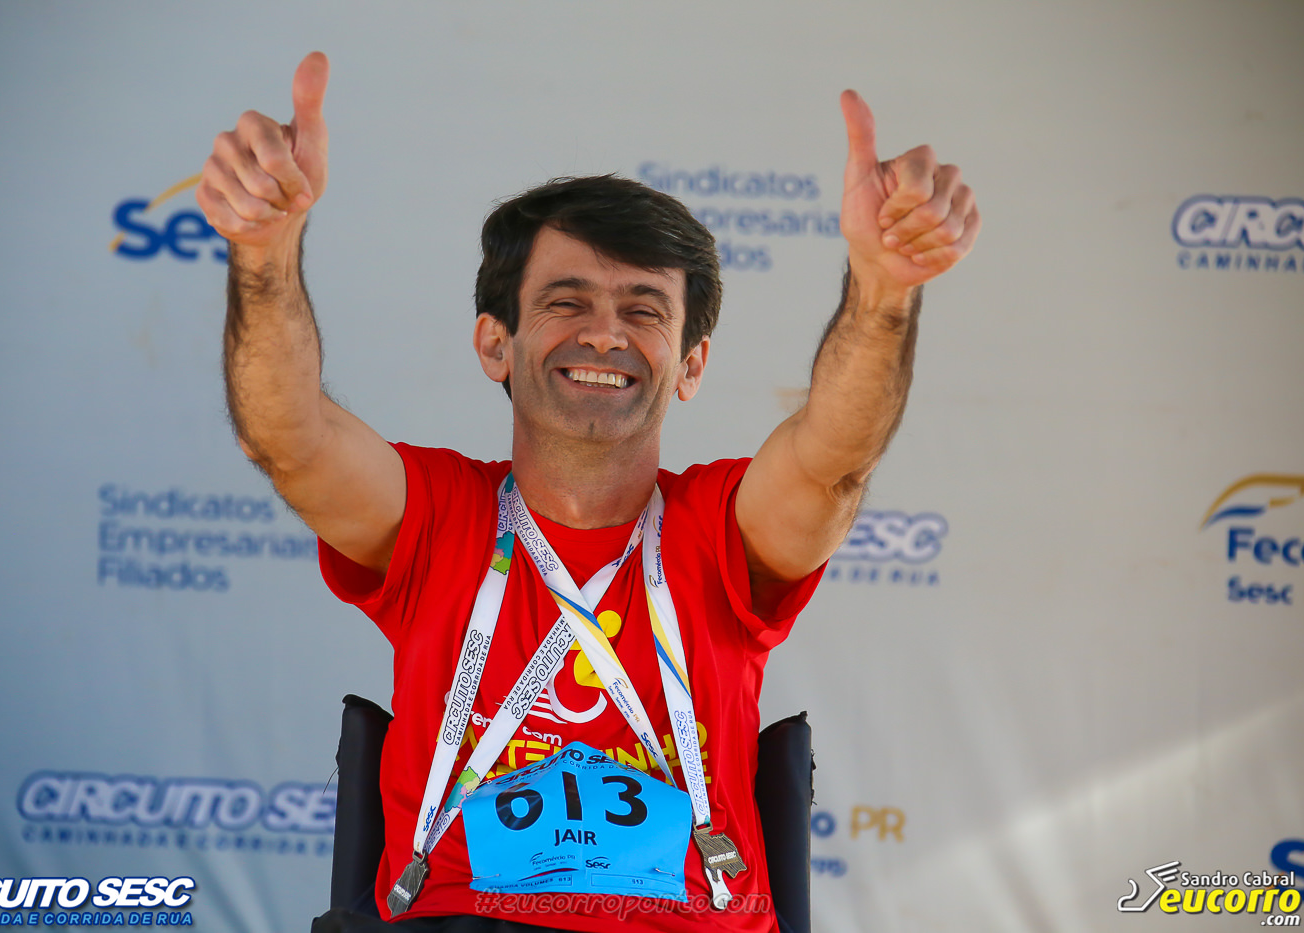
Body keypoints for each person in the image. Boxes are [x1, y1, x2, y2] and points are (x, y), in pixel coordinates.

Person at [197, 51, 978, 933]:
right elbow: (290, 437)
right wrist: (263, 253)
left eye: (643, 310)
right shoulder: (439, 516)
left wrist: (882, 291)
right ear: (495, 344)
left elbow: (831, 460)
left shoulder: (720, 530)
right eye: (567, 302)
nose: (605, 334)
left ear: (691, 365)